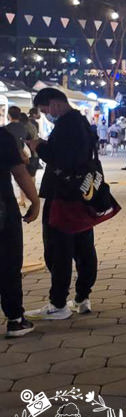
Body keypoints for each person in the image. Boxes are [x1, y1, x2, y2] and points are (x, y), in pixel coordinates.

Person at [24, 88, 101, 320]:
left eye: (45, 109)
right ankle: (82, 298)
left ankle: (58, 304)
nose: (46, 114)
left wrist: (40, 147)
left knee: (58, 249)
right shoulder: (81, 122)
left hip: (63, 196)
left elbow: (63, 158)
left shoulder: (67, 125)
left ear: (55, 104)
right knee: (84, 246)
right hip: (81, 195)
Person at [0, 127, 40, 337]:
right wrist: (34, 201)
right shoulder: (2, 137)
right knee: (8, 263)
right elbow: (19, 172)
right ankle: (15, 320)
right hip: (3, 210)